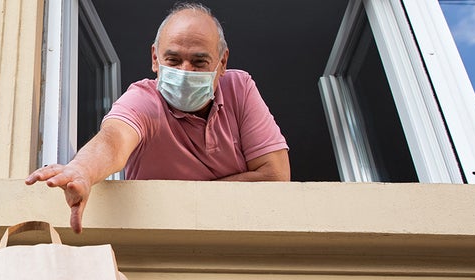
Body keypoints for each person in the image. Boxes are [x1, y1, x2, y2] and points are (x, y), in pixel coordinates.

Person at [26, 2, 290, 233]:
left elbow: (276, 177)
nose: (185, 71)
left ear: (222, 63)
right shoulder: (143, 99)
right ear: (155, 58)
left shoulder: (239, 88)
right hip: (159, 243)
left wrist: (191, 196)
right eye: (173, 60)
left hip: (238, 239)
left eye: (199, 62)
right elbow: (113, 140)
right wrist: (81, 170)